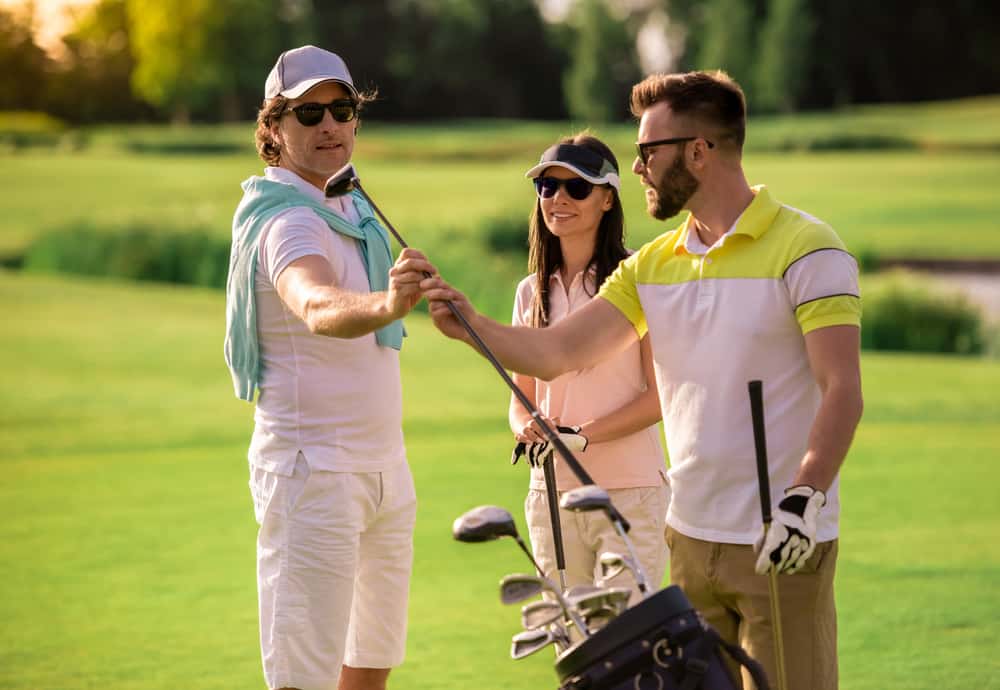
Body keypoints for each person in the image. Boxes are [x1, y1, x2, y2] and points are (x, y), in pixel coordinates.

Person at [424, 70, 863, 690]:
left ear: (699, 151)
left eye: (647, 152)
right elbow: (559, 351)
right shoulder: (654, 266)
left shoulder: (809, 249)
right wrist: (470, 324)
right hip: (687, 539)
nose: (636, 169)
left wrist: (806, 497)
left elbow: (842, 388)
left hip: (779, 535)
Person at [224, 45, 435, 690]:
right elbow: (314, 303)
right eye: (308, 113)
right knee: (305, 679)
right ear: (273, 128)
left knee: (371, 665)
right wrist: (389, 302)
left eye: (341, 109)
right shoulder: (286, 219)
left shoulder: (349, 202)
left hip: (382, 470)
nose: (329, 126)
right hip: (313, 474)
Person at [509, 133, 669, 605]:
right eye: (547, 187)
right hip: (551, 494)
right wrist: (526, 427)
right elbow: (521, 398)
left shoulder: (639, 281)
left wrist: (582, 434)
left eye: (576, 188)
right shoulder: (530, 291)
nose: (558, 198)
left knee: (625, 645)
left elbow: (658, 400)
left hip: (631, 494)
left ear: (606, 199)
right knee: (572, 648)